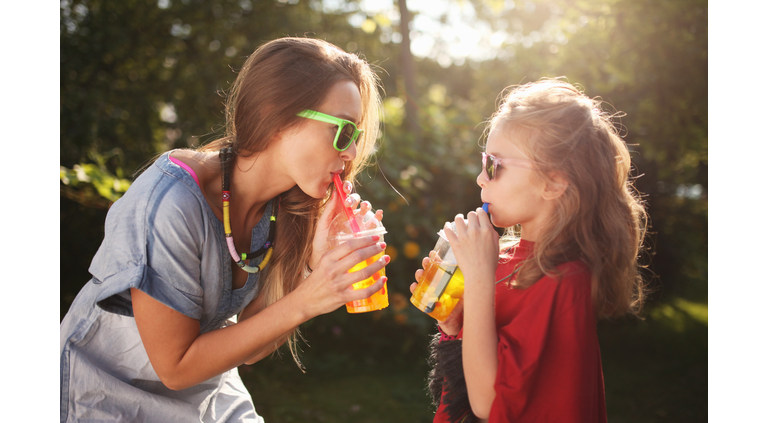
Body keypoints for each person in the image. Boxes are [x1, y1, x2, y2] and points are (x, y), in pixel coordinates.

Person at [60, 37, 390, 423]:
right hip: (101, 394)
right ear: (276, 117)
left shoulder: (283, 208)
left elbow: (251, 346)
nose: (351, 153)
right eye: (344, 132)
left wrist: (313, 267)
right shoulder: (172, 202)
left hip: (203, 394)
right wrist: (309, 298)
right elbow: (176, 366)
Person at [412, 79, 648, 422]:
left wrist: (478, 277)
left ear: (553, 182)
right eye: (484, 162)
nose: (481, 178)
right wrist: (455, 325)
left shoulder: (564, 279)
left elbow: (488, 404)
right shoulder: (505, 261)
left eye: (495, 165)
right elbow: (472, 379)